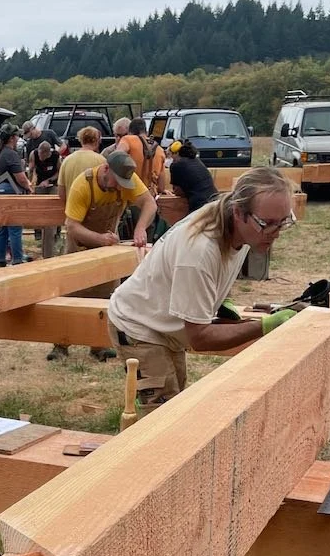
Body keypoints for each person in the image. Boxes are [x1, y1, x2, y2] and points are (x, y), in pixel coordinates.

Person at [106, 167, 299, 409]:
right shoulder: (199, 250)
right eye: (267, 224)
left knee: (174, 401)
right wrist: (264, 326)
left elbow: (219, 267)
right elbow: (200, 338)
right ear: (238, 212)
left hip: (165, 325)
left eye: (283, 222)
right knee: (161, 415)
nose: (275, 233)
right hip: (138, 325)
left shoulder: (239, 224)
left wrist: (220, 299)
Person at [47, 152, 156, 361]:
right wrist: (99, 239)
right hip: (79, 248)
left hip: (107, 249)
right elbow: (72, 226)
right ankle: (60, 345)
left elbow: (150, 204)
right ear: (106, 169)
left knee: (106, 298)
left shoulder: (126, 179)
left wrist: (140, 228)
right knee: (70, 297)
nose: (119, 188)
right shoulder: (83, 185)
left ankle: (98, 346)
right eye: (117, 182)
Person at [0, 124, 31, 267]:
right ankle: (17, 259)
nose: (18, 138)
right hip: (11, 191)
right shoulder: (11, 154)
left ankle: (0, 258)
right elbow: (21, 178)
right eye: (17, 135)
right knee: (15, 228)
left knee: (2, 227)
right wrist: (29, 187)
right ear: (12, 138)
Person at [166, 139, 217, 212]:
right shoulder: (196, 160)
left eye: (171, 155)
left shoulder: (176, 165)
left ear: (176, 153)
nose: (172, 159)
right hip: (214, 199)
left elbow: (178, 191)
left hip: (200, 204)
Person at [56, 126, 103, 200]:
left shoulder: (67, 160)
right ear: (97, 141)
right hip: (93, 205)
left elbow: (61, 191)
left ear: (81, 140)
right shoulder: (101, 160)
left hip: (71, 205)